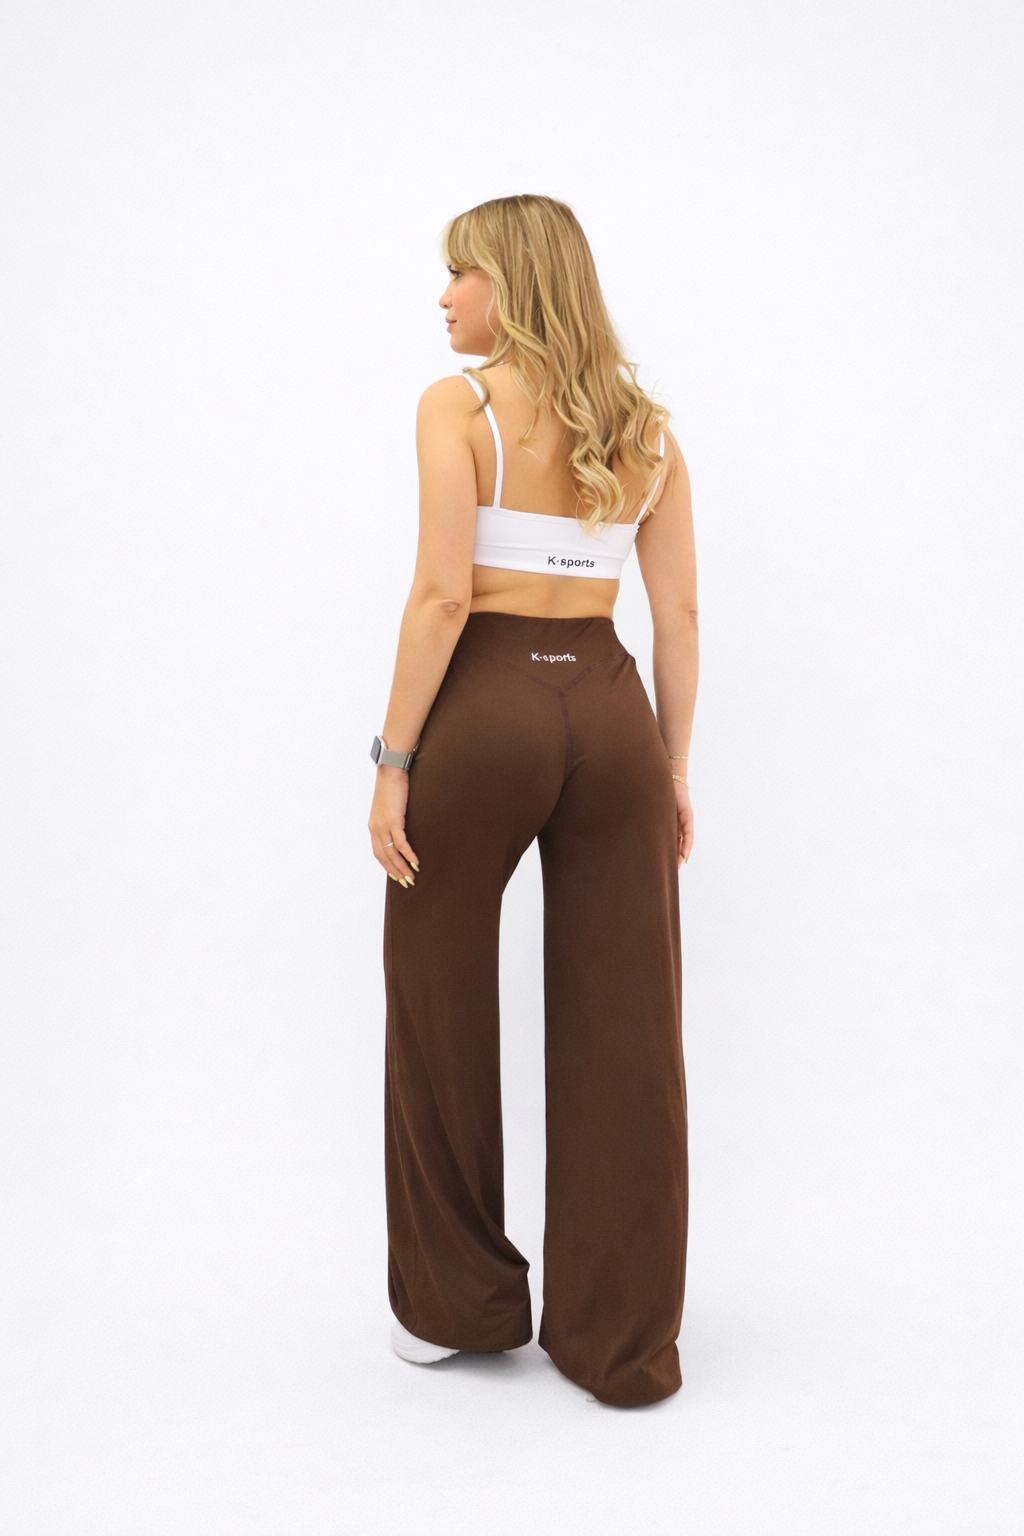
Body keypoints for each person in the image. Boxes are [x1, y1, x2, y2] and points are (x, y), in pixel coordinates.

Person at [367, 195, 697, 1408]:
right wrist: (670, 769)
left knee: (436, 993)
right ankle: (620, 1345)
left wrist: (392, 758)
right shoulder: (644, 429)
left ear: (511, 284)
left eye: (460, 273)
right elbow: (678, 616)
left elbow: (442, 598)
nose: (444, 296)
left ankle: (457, 1307)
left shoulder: (456, 409)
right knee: (630, 1027)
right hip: (611, 715)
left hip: (486, 712)